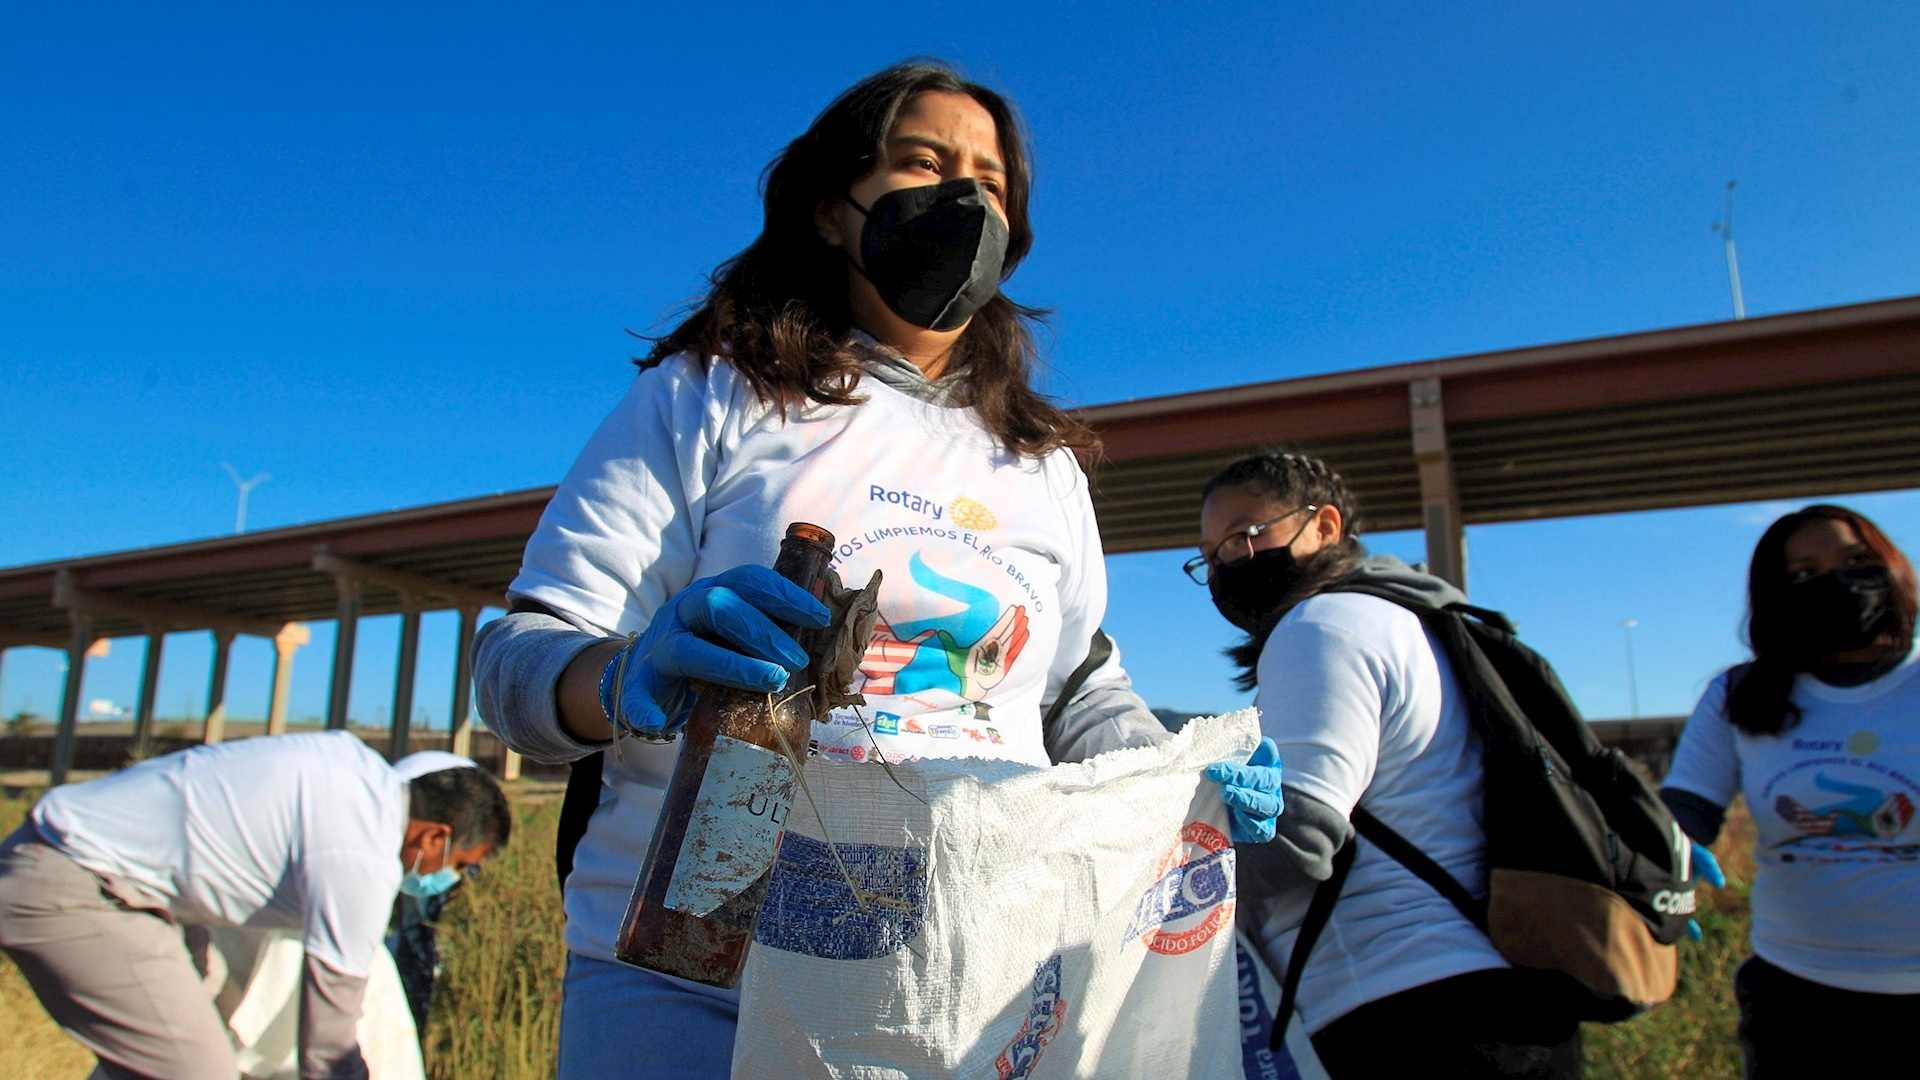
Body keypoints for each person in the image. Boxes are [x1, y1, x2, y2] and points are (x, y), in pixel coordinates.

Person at [471, 60, 1283, 1079]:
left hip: (968, 979)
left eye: (990, 183)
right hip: (699, 975)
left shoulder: (1044, 464)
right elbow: (513, 668)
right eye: (923, 162)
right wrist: (630, 674)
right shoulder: (711, 396)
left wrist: (1171, 773)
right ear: (830, 206)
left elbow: (1077, 688)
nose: (962, 200)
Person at [1191, 451, 1582, 1078]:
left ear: (1324, 526)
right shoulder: (1418, 623)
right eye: (1210, 556)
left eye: (1243, 538)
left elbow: (1296, 842)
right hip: (1502, 995)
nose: (1227, 566)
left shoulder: (1320, 625)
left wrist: (1155, 872)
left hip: (1402, 1014)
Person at [0, 734, 510, 1080]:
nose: (452, 880)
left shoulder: (341, 765)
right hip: (78, 889)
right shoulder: (364, 852)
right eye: (462, 864)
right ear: (435, 834)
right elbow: (329, 1041)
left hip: (105, 881)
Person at [1660, 504, 1920, 1078]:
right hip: (1799, 997)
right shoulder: (1742, 694)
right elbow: (1686, 812)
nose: (1836, 582)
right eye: (1804, 574)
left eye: (1856, 561)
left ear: (1893, 566)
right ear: (1776, 596)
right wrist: (1651, 869)